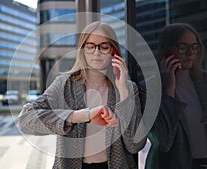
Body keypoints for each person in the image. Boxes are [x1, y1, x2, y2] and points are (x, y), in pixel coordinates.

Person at [18, 21, 146, 169]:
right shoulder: (63, 85)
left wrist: (123, 91)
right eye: (90, 46)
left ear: (113, 51)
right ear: (82, 50)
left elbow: (135, 145)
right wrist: (83, 115)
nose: (96, 53)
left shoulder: (128, 88)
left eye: (104, 47)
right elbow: (25, 119)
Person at [146, 23, 207, 169]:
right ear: (168, 50)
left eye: (195, 47)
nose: (191, 53)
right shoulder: (149, 89)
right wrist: (169, 90)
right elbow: (162, 140)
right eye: (183, 47)